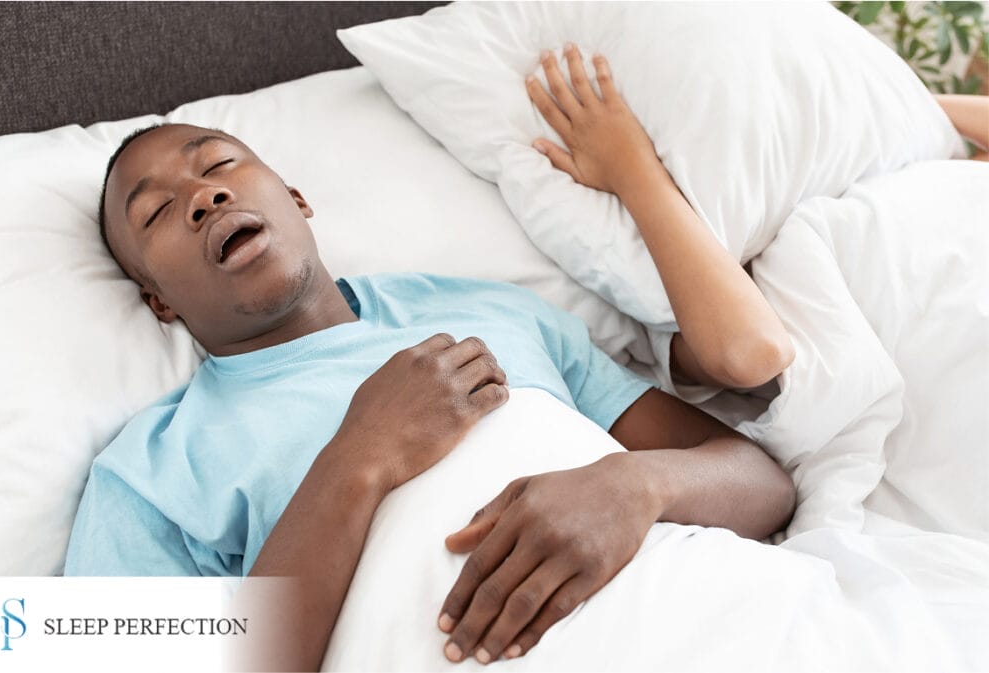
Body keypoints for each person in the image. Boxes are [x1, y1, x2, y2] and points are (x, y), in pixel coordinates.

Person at [64, 48, 796, 670]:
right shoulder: (149, 473)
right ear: (159, 301)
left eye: (219, 163)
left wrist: (636, 485)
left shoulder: (489, 309)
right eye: (156, 212)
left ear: (295, 198)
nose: (203, 195)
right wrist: (359, 458)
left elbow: (762, 482)